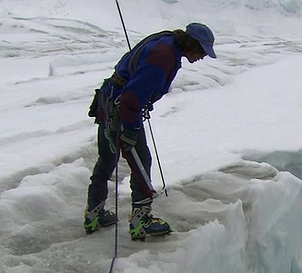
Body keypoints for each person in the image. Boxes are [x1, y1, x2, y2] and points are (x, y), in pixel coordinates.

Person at [84, 23, 217, 240]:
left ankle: (93, 214)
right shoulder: (164, 55)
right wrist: (131, 127)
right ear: (192, 44)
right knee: (141, 160)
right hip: (122, 108)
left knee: (107, 158)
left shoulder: (166, 43)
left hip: (108, 101)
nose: (202, 57)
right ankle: (141, 221)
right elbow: (132, 96)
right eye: (202, 51)